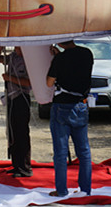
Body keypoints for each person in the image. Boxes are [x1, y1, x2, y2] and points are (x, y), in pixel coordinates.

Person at [46, 40, 93, 197]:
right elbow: (75, 66)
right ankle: (85, 189)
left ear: (60, 43)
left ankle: (61, 190)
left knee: (61, 152)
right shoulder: (87, 53)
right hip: (81, 104)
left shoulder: (60, 59)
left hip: (62, 106)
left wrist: (56, 60)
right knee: (84, 151)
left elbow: (49, 82)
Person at [0, 46, 33, 177]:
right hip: (11, 98)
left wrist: (10, 78)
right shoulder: (13, 57)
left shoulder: (29, 60)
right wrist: (0, 46)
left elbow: (29, 82)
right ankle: (16, 164)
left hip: (21, 97)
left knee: (22, 132)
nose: (17, 48)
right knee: (13, 132)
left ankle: (25, 167)